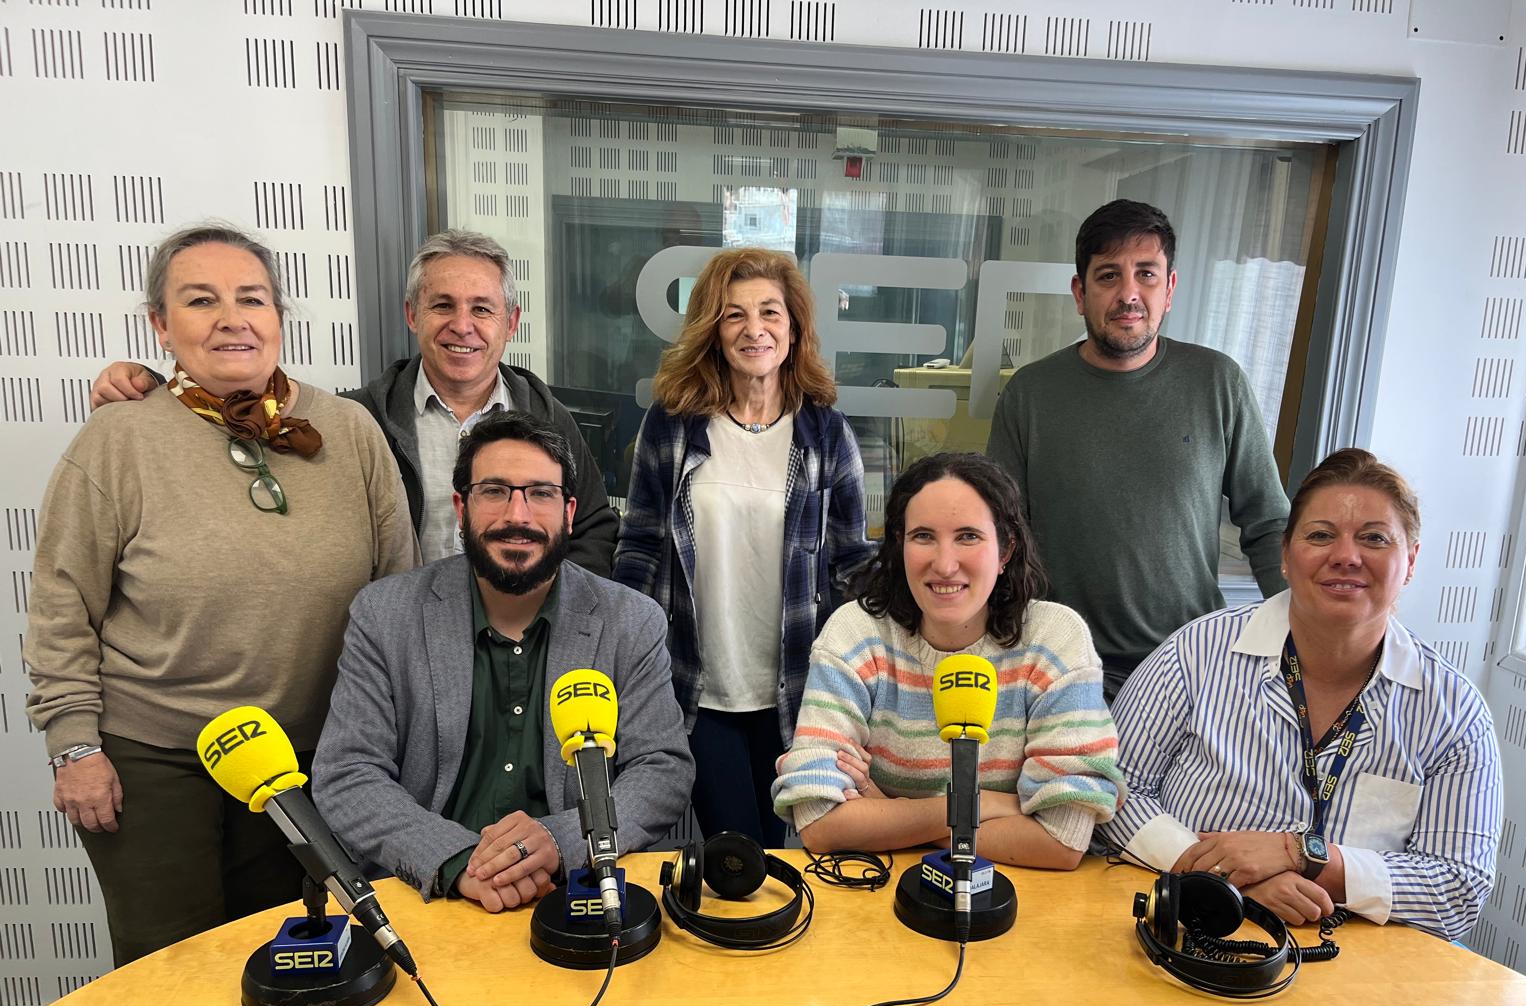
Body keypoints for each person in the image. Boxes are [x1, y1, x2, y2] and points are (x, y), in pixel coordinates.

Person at [25, 224, 419, 966]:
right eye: (200, 300)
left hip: (309, 756)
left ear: (278, 317)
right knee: (167, 975)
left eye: (252, 298)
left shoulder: (350, 431)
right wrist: (73, 746)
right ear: (160, 326)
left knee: (292, 964)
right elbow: (60, 605)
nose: (231, 317)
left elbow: (397, 592)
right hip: (156, 761)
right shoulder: (119, 438)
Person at [1099, 449, 1502, 941]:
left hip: (1361, 967)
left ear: (1411, 561)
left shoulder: (1453, 712)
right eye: (1321, 535)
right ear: (1286, 557)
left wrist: (1306, 855)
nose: (1346, 556)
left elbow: (1459, 888)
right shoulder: (1196, 653)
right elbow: (1111, 793)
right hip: (1192, 929)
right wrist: (1227, 880)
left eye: (1374, 538)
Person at [314, 411, 692, 910]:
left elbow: (661, 768)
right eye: (494, 491)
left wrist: (563, 840)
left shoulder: (630, 621)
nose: (518, 515)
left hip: (578, 890)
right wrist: (455, 859)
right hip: (431, 894)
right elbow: (348, 773)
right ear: (461, 508)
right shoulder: (385, 615)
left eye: (540, 493)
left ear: (569, 512)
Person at [88, 229, 620, 573]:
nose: (463, 326)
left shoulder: (550, 418)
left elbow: (592, 529)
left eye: (482, 309)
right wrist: (156, 389)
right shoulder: (352, 419)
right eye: (442, 305)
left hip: (525, 642)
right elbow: (237, 419)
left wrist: (560, 613)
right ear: (413, 316)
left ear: (511, 323)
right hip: (405, 657)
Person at [614, 248, 874, 848]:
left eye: (769, 312)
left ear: (793, 328)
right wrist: (622, 647)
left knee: (801, 850)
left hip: (802, 688)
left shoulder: (826, 433)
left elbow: (853, 562)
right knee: (741, 852)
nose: (754, 329)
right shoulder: (673, 424)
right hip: (698, 689)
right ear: (713, 329)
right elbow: (641, 546)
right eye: (734, 315)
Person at [986, 198, 1289, 700]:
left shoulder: (1217, 382)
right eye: (1108, 276)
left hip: (1192, 668)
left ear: (1169, 289)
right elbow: (999, 537)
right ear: (1080, 293)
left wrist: (1299, 636)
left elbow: (1269, 524)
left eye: (1146, 273)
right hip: (1061, 670)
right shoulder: (1031, 393)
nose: (1129, 293)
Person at [772, 452, 1123, 867]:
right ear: (899, 543)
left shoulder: (1055, 638)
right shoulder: (856, 633)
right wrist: (994, 805)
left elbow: (1062, 841)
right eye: (923, 536)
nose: (944, 564)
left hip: (1026, 906)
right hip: (878, 897)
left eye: (968, 536)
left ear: (1006, 548)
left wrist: (890, 813)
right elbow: (820, 825)